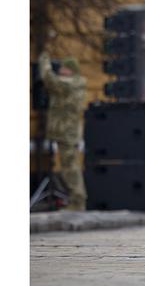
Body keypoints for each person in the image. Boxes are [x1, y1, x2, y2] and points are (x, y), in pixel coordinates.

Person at [38, 51, 87, 211]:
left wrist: (44, 61)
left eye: (64, 68)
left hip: (66, 132)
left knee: (70, 169)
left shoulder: (69, 83)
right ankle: (77, 200)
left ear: (71, 70)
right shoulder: (74, 83)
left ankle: (77, 202)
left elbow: (49, 79)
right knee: (69, 167)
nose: (60, 70)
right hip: (67, 132)